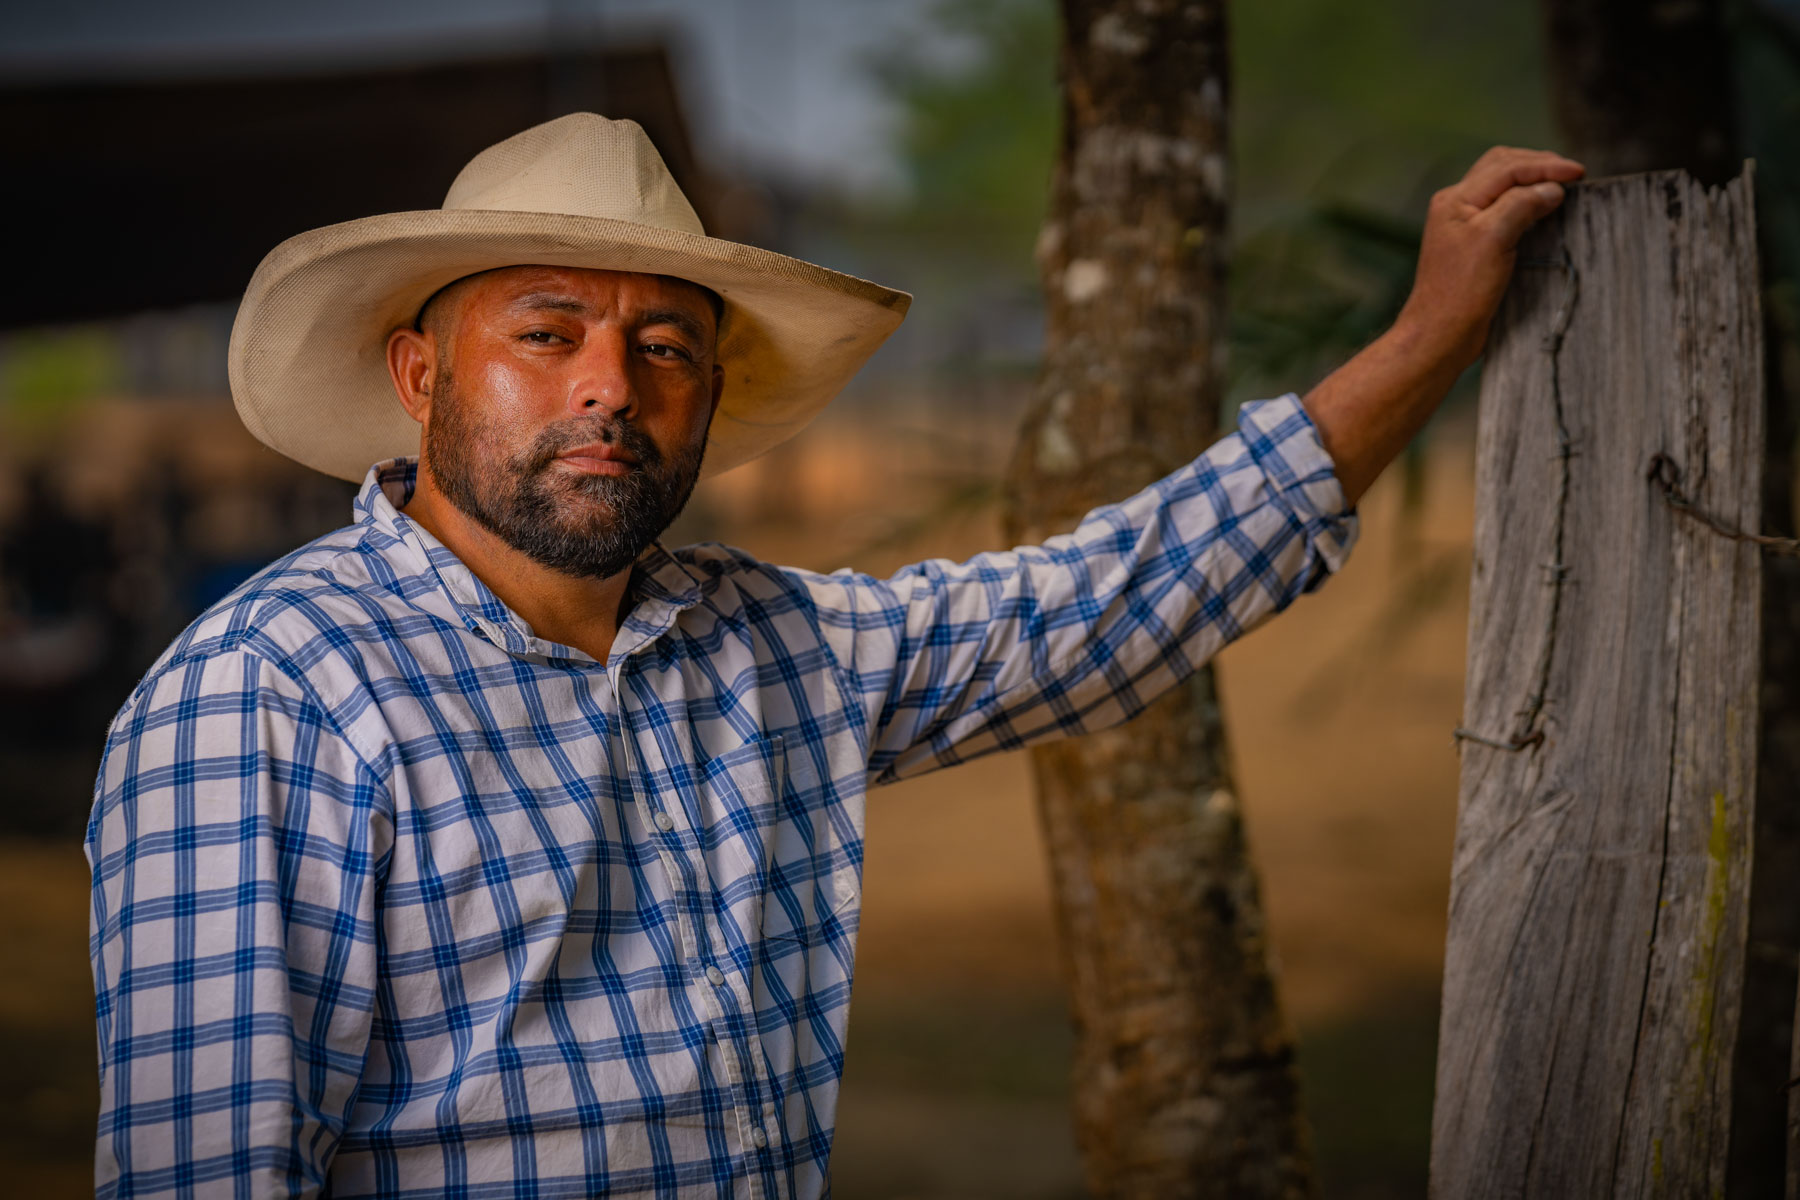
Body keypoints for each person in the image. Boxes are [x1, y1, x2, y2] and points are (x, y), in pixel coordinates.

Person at [86, 113, 1582, 1197]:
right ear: (421, 374)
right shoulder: (270, 698)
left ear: (709, 396)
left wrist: (1427, 341)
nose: (610, 386)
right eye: (546, 334)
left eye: (665, 346)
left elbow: (1103, 605)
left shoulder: (765, 646)